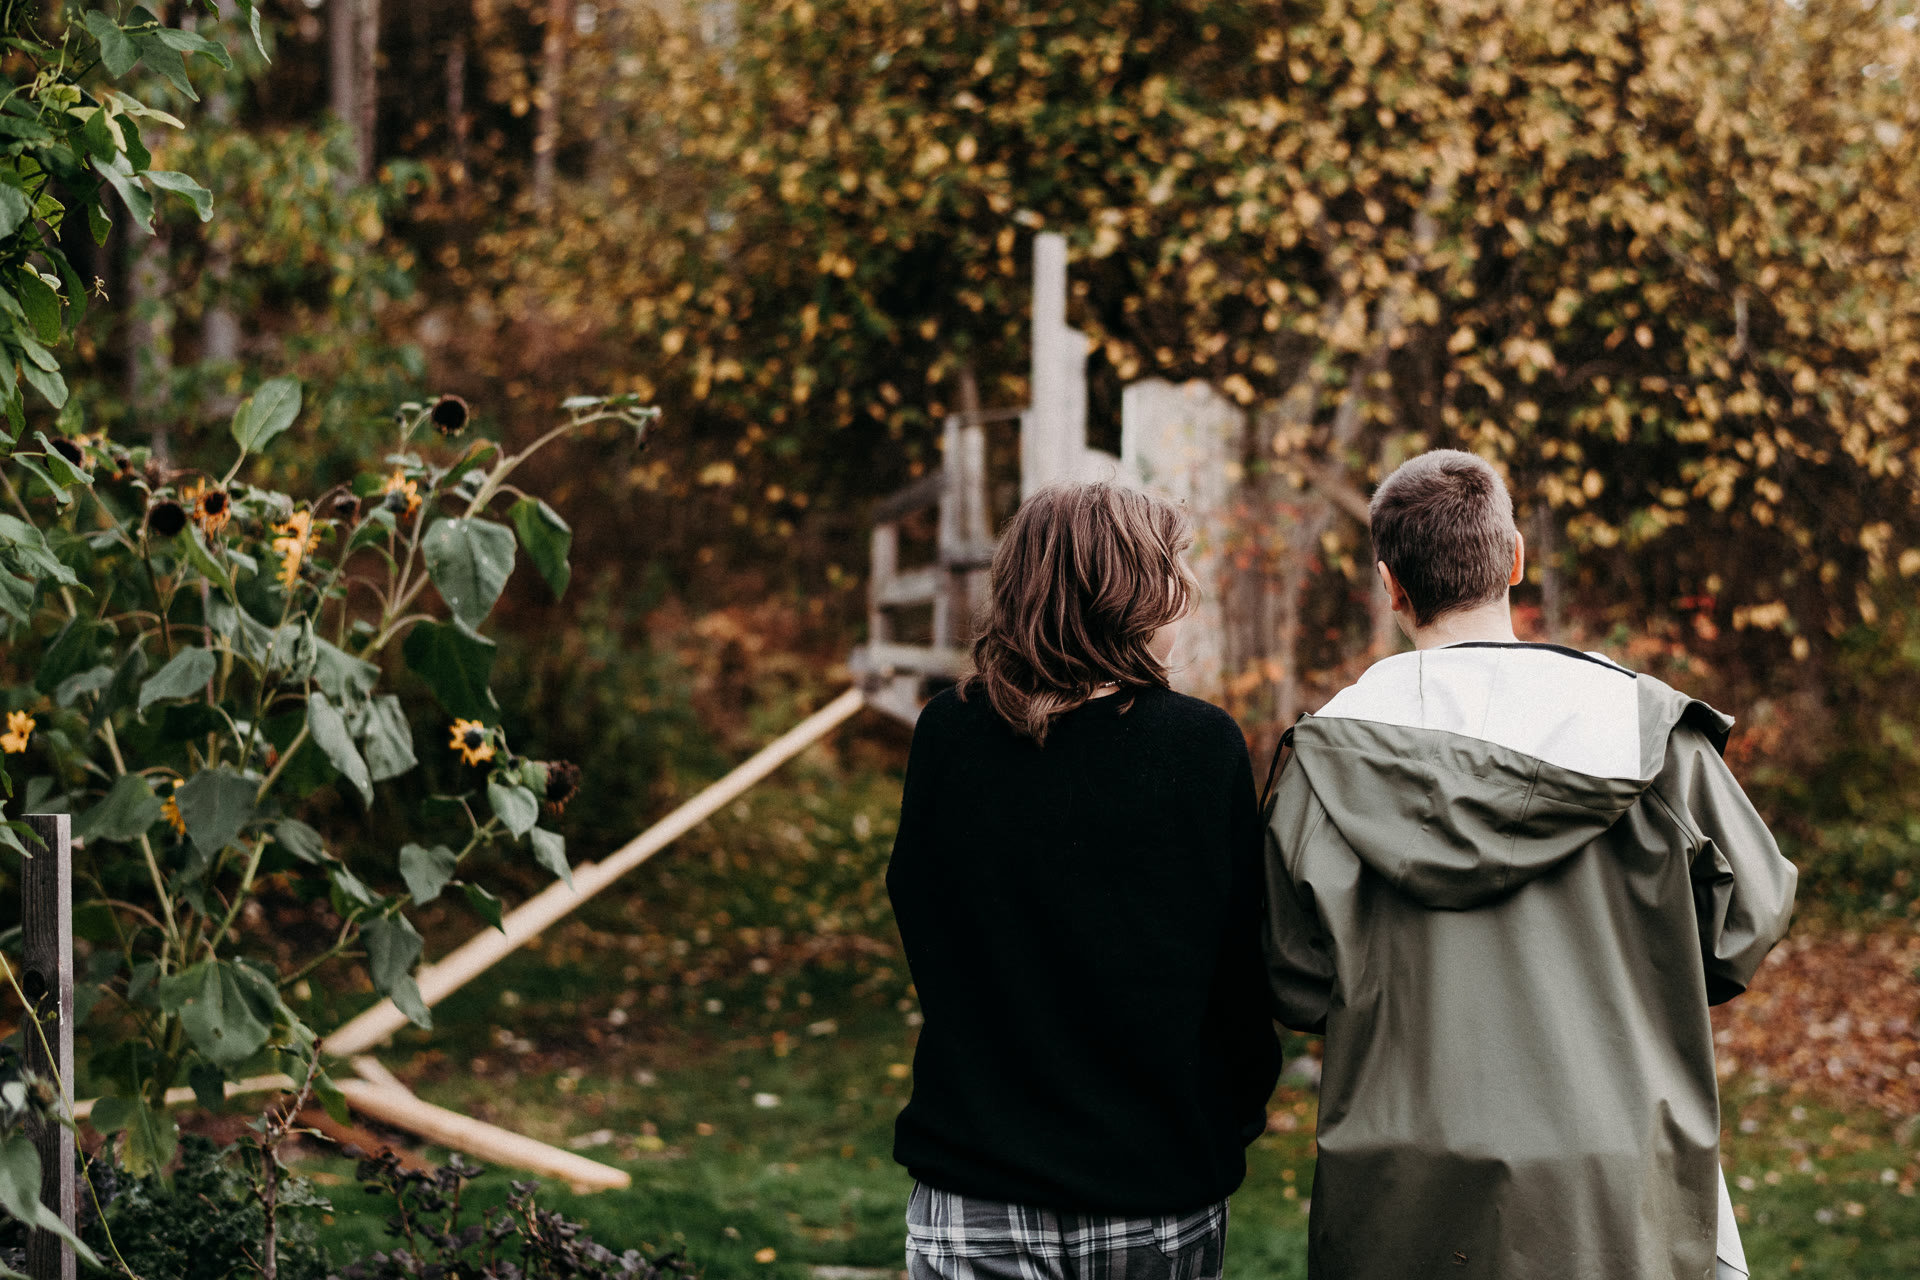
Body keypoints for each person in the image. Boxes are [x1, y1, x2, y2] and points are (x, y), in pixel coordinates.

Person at [1261, 449, 1796, 1280]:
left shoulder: (1324, 758)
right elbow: (1748, 920)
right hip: (1616, 1178)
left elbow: (1293, 978)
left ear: (1389, 583)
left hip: (1403, 1191)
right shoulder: (1642, 729)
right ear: (1515, 558)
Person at [887, 481, 1282, 1280]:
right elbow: (1241, 970)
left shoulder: (948, 734)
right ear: (1127, 592)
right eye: (1173, 571)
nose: (1190, 595)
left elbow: (923, 923)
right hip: (1154, 1190)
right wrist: (1227, 1117)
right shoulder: (1199, 748)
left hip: (977, 1182)